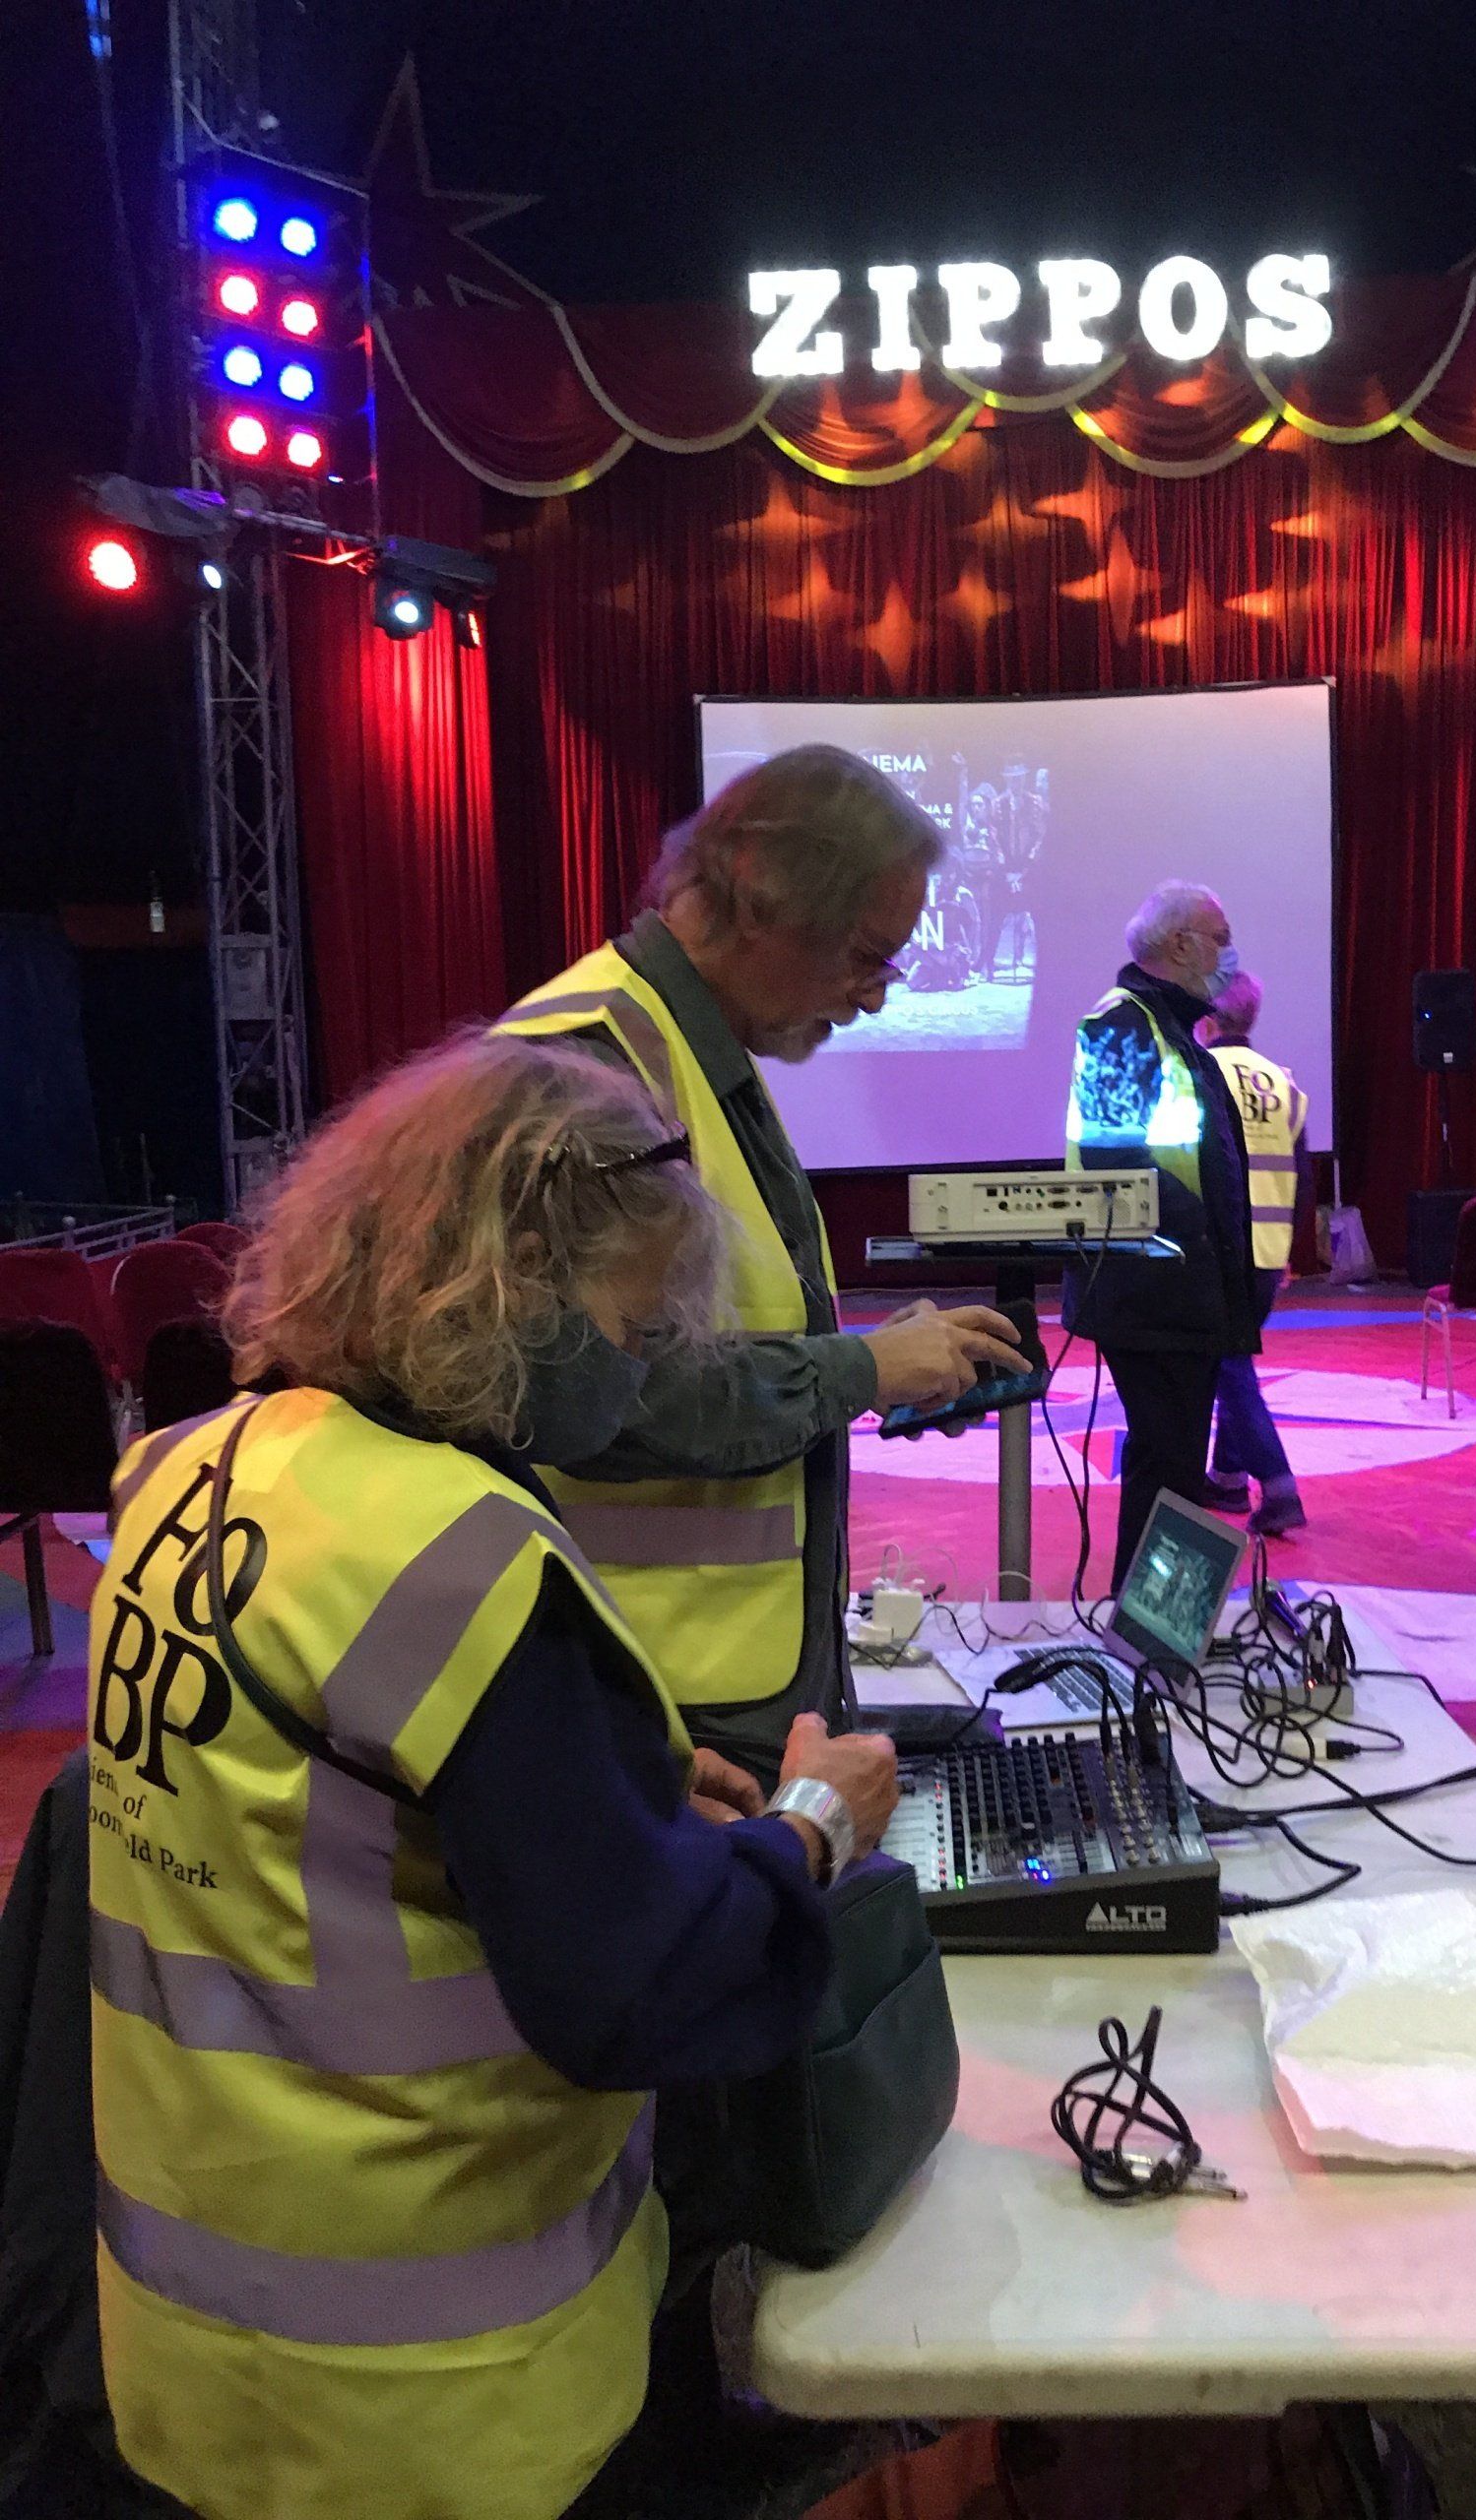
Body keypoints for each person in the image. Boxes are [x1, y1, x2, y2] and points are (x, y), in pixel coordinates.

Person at [86, 1034, 901, 2520]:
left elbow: (338, 1840)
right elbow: (638, 1991)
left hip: (196, 2333)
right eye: (638, 1325)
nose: (652, 1367)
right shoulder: (461, 1568)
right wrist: (812, 1827)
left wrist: (625, 1800)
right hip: (438, 2385)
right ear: (507, 1281)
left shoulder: (197, 1472)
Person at [496, 744, 1025, 1787]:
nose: (874, 1000)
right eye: (864, 956)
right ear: (750, 887)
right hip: (653, 1695)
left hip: (705, 1680)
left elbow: (720, 1337)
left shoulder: (683, 1048)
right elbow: (584, 1401)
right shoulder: (590, 1065)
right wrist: (860, 1372)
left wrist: (885, 1362)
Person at [1063, 882, 1257, 1594]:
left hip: (1185, 1289)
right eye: (1220, 933)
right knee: (1169, 1467)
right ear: (1179, 944)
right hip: (1151, 1289)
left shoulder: (1178, 1032)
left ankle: (1149, 1629)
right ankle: (1147, 1631)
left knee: (1170, 1466)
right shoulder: (1121, 1023)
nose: (1230, 953)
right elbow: (1118, 1157)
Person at [1195, 971, 1310, 1538]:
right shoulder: (1282, 1082)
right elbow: (1301, 1175)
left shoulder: (1202, 1075)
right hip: (1268, 1250)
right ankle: (1227, 1475)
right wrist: (1291, 1251)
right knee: (1231, 1359)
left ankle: (1279, 1483)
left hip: (1222, 1252)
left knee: (1229, 1366)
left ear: (1206, 1017)